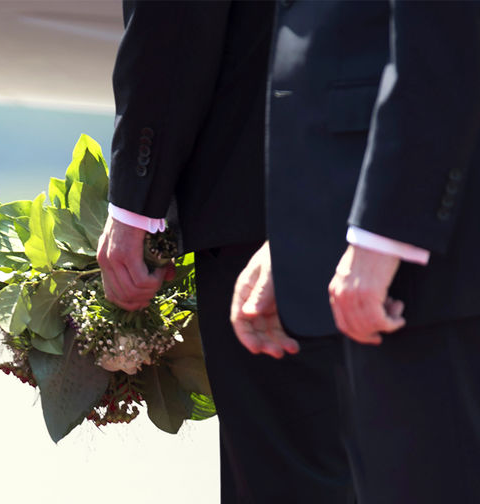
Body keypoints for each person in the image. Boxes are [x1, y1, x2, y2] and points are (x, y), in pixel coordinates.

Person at [97, 1, 354, 502]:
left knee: (290, 477)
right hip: (404, 202)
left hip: (268, 198)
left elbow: (174, 25)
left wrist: (135, 207)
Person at [231, 1, 480, 502]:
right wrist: (303, 230)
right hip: (384, 231)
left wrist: (383, 233)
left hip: (429, 259)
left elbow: (445, 34)